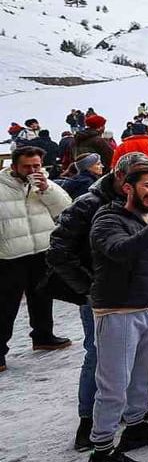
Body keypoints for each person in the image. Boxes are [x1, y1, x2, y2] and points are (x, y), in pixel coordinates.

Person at [87, 166, 148, 460]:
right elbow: (120, 250)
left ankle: (137, 426)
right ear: (128, 188)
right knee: (114, 385)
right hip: (118, 312)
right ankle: (102, 449)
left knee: (142, 378)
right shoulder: (107, 219)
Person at [1, 147, 75, 376]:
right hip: (9, 255)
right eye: (27, 166)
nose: (33, 170)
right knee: (5, 305)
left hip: (41, 250)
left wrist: (46, 189)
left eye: (36, 166)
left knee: (42, 295)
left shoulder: (46, 185)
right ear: (14, 166)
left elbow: (67, 208)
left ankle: (43, 336)